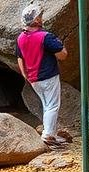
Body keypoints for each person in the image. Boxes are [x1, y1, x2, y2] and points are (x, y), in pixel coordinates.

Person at [16, 3, 69, 146]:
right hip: (48, 76)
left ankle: (49, 132)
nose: (41, 18)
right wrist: (60, 44)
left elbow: (19, 57)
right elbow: (63, 55)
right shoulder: (45, 37)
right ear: (36, 20)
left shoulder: (20, 37)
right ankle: (48, 136)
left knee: (46, 105)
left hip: (33, 79)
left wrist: (24, 75)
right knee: (52, 105)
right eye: (39, 16)